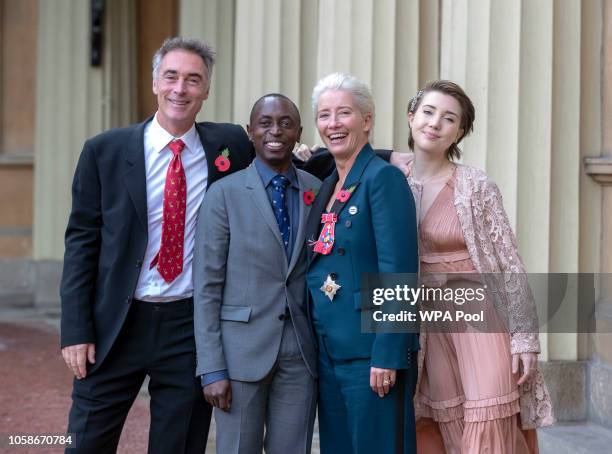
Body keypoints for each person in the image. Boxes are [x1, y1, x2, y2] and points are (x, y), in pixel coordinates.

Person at [59, 37, 255, 453]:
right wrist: (76, 329)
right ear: (155, 83)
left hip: (188, 327)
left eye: (192, 80)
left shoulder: (230, 145)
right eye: (171, 77)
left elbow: (285, 152)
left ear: (206, 91)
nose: (180, 89)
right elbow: (81, 242)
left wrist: (390, 157)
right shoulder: (104, 152)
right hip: (116, 324)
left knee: (178, 445)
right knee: (85, 442)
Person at [404, 80, 554, 453]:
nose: (435, 123)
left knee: (489, 415)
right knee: (444, 424)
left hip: (480, 317)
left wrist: (524, 338)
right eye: (428, 112)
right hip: (428, 323)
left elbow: (509, 263)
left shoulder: (474, 185)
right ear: (411, 117)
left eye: (449, 118)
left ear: (460, 132)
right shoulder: (391, 182)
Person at [193, 94, 320, 453]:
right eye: (265, 123)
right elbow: (207, 287)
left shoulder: (317, 191)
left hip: (300, 354)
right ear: (250, 132)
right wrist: (212, 368)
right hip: (238, 357)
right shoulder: (223, 195)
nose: (275, 131)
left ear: (299, 132)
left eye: (285, 123)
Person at [305, 72, 419, 453]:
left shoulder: (383, 179)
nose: (332, 124)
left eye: (344, 113)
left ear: (367, 120)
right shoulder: (328, 184)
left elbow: (400, 274)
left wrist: (387, 354)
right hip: (329, 351)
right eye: (324, 115)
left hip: (371, 355)